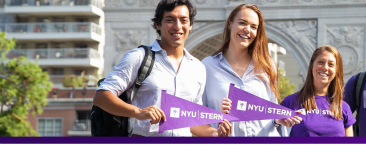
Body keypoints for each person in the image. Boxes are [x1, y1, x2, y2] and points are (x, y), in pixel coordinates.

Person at [93, 0, 232, 137]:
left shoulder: (198, 68)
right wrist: (138, 112)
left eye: (184, 20)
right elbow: (101, 96)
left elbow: (191, 119)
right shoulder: (139, 57)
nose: (177, 26)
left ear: (190, 25)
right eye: (170, 20)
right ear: (158, 24)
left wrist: (215, 133)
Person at [201, 4, 302, 137]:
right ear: (230, 24)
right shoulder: (206, 67)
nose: (247, 30)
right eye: (242, 23)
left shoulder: (268, 66)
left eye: (253, 27)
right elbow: (197, 118)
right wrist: (215, 132)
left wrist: (279, 119)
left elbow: (272, 110)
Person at [280, 46, 355, 137]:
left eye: (331, 64)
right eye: (321, 62)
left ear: (336, 71)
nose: (325, 67)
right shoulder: (290, 102)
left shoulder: (344, 107)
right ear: (312, 66)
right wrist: (276, 121)